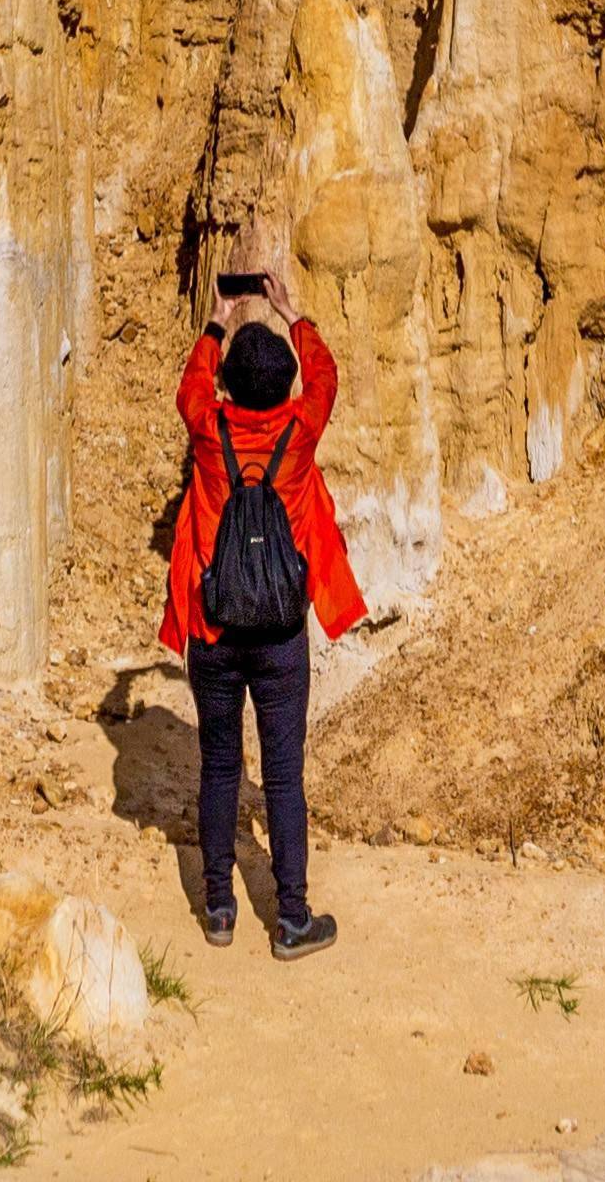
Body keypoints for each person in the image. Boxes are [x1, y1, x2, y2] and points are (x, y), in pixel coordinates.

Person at [159, 258, 364, 955]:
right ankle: (293, 919)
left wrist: (217, 319)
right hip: (279, 631)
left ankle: (218, 909)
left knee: (218, 765)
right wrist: (289, 309)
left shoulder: (205, 428)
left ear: (225, 387)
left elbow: (189, 385)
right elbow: (327, 377)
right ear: (284, 387)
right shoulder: (301, 431)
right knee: (282, 773)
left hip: (214, 630)